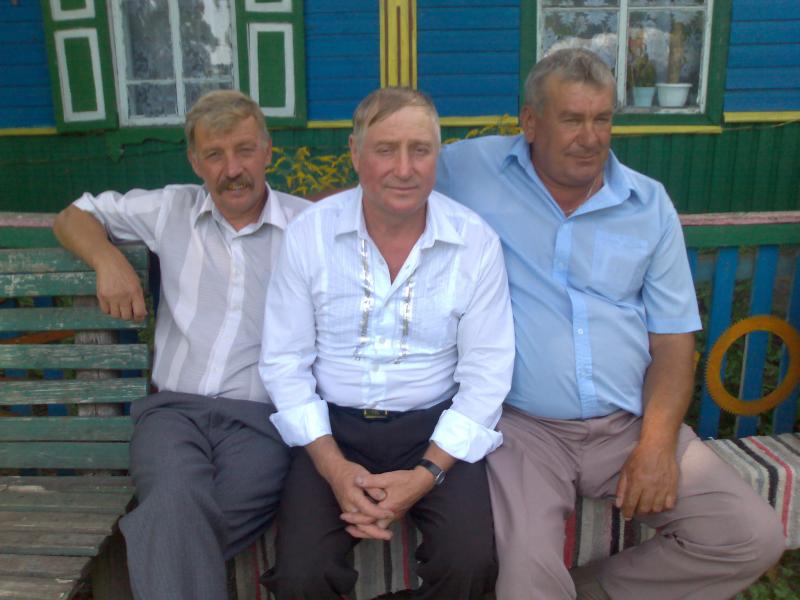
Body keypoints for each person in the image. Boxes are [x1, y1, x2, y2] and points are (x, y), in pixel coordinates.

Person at [435, 48, 785, 600]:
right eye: (572, 119)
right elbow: (387, 178)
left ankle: (593, 591)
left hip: (628, 425)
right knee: (526, 573)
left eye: (602, 119)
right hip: (524, 429)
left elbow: (673, 342)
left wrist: (656, 444)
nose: (591, 137)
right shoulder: (470, 170)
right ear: (530, 121)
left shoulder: (647, 204)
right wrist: (291, 217)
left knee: (749, 537)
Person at [258, 87, 515, 599]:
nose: (404, 168)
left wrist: (425, 475)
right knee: (301, 575)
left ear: (436, 155)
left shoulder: (475, 242)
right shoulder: (309, 236)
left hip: (434, 429)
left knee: (469, 563)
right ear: (355, 154)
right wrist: (334, 468)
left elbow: (487, 373)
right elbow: (285, 363)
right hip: (334, 429)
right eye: (385, 149)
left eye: (420, 150)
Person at [53, 90, 310, 600]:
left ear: (267, 150)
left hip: (260, 421)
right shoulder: (170, 208)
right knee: (173, 498)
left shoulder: (309, 228)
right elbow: (72, 216)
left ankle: (156, 553)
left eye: (244, 150)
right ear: (195, 161)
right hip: (173, 414)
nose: (231, 169)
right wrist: (108, 260)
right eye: (214, 155)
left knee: (171, 521)